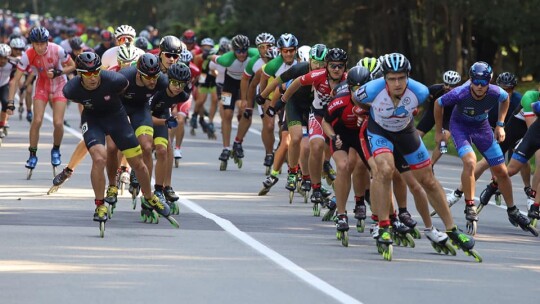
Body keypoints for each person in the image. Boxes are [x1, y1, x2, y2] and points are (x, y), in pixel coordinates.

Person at [355, 53, 480, 261]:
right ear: (384, 78)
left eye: (401, 78)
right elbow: (356, 99)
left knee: (428, 179)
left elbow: (430, 107)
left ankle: (452, 229)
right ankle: (383, 225)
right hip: (379, 131)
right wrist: (368, 113)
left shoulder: (420, 91)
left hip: (406, 132)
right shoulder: (370, 90)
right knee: (384, 170)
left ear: (408, 76)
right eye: (392, 78)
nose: (397, 83)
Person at [62, 52, 176, 230]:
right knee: (100, 158)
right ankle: (100, 205)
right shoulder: (70, 89)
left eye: (96, 73)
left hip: (117, 118)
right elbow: (79, 101)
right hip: (93, 121)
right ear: (79, 74)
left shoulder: (116, 80)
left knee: (138, 163)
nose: (93, 78)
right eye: (87, 74)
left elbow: (131, 94)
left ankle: (149, 197)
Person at [434, 61, 534, 236]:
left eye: (484, 82)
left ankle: (512, 209)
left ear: (490, 81)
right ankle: (470, 205)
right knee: (470, 161)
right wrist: (438, 131)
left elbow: (505, 99)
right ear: (470, 80)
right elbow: (438, 103)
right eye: (476, 82)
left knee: (501, 171)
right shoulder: (460, 93)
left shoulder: (497, 92)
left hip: (482, 128)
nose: (480, 87)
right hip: (460, 128)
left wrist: (500, 125)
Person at [6, 26, 76, 177]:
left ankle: (56, 150)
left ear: (46, 42)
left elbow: (73, 66)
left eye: (41, 43)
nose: (38, 47)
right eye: (35, 44)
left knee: (58, 122)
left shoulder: (57, 50)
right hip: (42, 85)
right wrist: (10, 102)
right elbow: (14, 81)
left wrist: (59, 71)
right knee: (36, 121)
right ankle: (32, 154)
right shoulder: (28, 54)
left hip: (59, 84)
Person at [210, 34, 258, 170]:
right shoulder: (226, 59)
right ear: (233, 50)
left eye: (244, 51)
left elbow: (268, 54)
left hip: (246, 85)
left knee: (247, 113)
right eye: (238, 51)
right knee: (227, 115)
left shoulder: (254, 54)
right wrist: (208, 55)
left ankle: (238, 142)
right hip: (229, 86)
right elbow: (212, 57)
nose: (242, 54)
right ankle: (226, 147)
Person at [416, 70, 461, 166]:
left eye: (452, 86)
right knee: (415, 137)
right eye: (446, 84)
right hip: (432, 114)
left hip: (448, 119)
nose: (448, 87)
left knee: (443, 143)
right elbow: (420, 96)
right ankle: (411, 162)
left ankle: (431, 165)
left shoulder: (461, 94)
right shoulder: (435, 89)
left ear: (457, 85)